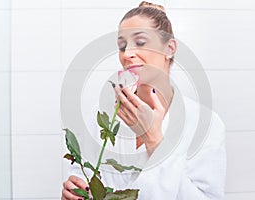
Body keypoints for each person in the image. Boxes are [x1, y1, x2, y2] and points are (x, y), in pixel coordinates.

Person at [62, 1, 226, 200]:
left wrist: (155, 141)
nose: (127, 54)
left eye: (140, 42)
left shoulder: (205, 123)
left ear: (170, 48)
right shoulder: (100, 118)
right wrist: (77, 192)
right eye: (122, 46)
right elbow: (84, 179)